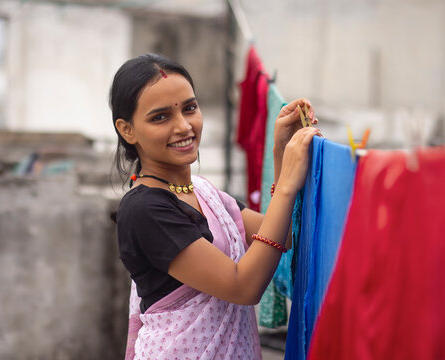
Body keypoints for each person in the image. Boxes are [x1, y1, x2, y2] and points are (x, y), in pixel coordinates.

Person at [110, 53, 320, 360]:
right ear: (127, 130)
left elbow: (282, 236)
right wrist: (288, 181)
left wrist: (279, 152)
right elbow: (243, 286)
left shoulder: (206, 193)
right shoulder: (144, 209)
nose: (183, 126)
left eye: (189, 108)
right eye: (160, 117)